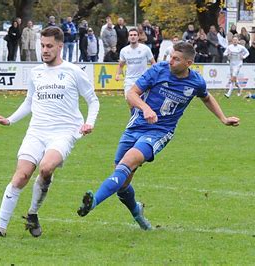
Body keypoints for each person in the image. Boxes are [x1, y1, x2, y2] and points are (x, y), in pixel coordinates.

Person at [77, 42, 240, 231]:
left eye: (176, 59)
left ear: (188, 63)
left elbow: (206, 97)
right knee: (122, 182)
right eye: (170, 56)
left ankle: (94, 201)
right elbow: (132, 94)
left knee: (127, 163)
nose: (170, 61)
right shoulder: (158, 70)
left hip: (160, 132)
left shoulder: (196, 82)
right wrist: (145, 108)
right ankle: (137, 212)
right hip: (135, 126)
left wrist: (223, 118)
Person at [0, 26, 99, 238]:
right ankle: (0, 229)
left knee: (46, 168)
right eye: (42, 46)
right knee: (21, 176)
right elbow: (29, 102)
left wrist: (89, 123)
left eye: (49, 46)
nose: (44, 50)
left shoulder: (73, 71)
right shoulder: (36, 72)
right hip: (37, 130)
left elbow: (93, 100)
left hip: (64, 131)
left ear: (60, 46)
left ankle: (32, 212)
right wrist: (9, 120)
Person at [115, 29, 156, 100]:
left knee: (141, 101)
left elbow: (153, 62)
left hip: (142, 79)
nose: (133, 37)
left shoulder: (145, 49)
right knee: (129, 100)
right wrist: (117, 74)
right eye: (131, 35)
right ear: (128, 37)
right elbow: (121, 64)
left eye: (135, 35)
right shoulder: (124, 51)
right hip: (129, 80)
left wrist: (154, 74)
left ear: (138, 37)